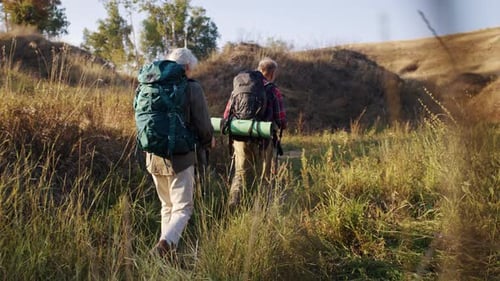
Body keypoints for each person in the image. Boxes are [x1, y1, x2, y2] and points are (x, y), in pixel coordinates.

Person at [147, 48, 214, 256]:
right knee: (183, 208)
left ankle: (166, 254)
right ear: (186, 67)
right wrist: (208, 140)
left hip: (153, 155)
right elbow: (202, 122)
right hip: (180, 157)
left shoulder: (151, 84)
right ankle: (165, 245)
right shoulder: (191, 88)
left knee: (167, 206)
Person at [223, 57, 287, 208]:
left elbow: (227, 115)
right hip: (263, 139)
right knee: (264, 176)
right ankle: (260, 210)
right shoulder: (272, 89)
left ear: (259, 69)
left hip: (240, 137)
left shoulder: (240, 87)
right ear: (271, 73)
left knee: (240, 174)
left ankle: (233, 206)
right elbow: (281, 119)